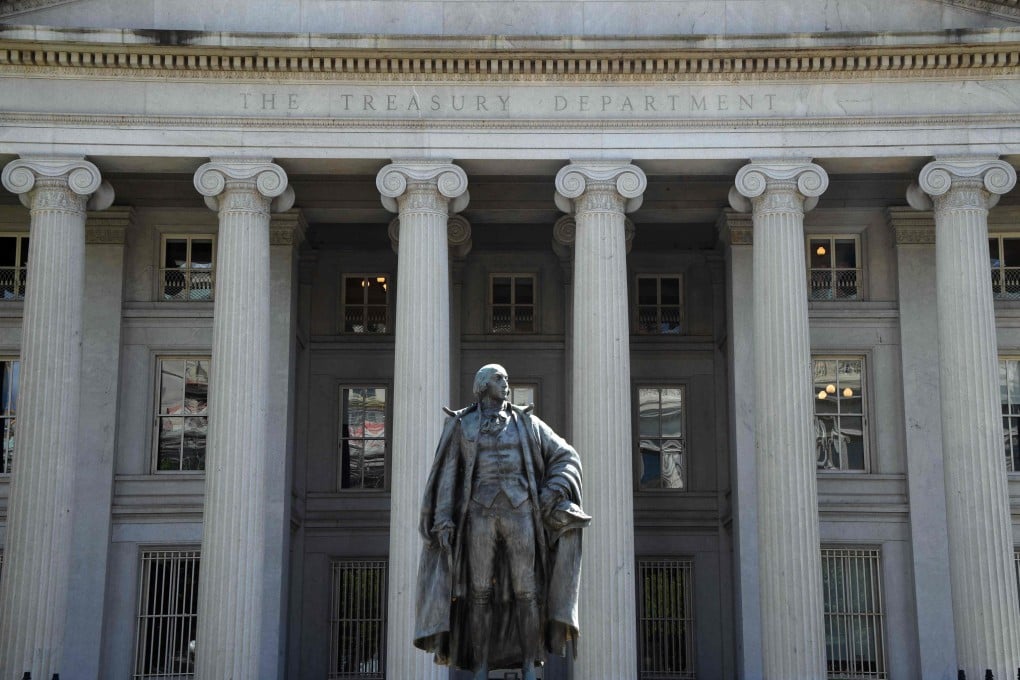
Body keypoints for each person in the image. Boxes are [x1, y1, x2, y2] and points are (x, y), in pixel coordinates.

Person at [414, 364, 590, 680]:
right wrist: (442, 518)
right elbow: (448, 474)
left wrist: (552, 491)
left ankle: (528, 666)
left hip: (521, 511)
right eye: (499, 378)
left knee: (528, 591)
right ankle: (480, 668)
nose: (506, 383)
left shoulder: (528, 423)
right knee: (479, 593)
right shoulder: (461, 425)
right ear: (482, 385)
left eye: (507, 378)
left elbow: (567, 456)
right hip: (479, 514)